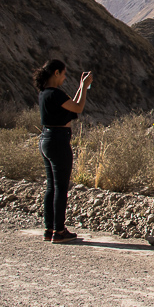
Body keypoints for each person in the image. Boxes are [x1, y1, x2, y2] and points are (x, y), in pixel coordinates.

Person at [32, 59, 93, 243]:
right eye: (64, 74)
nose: (65, 78)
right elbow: (78, 107)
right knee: (60, 188)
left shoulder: (44, 93)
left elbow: (71, 104)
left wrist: (82, 86)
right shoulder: (56, 94)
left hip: (46, 139)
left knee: (51, 187)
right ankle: (59, 231)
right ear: (56, 73)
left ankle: (49, 228)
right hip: (59, 140)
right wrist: (85, 87)